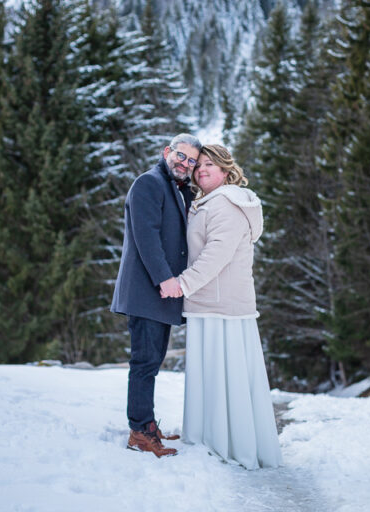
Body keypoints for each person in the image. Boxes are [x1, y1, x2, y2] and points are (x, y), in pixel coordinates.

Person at [163, 144, 282, 469]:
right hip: (213, 302)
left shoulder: (226, 203)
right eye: (199, 165)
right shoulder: (211, 202)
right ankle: (211, 438)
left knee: (223, 375)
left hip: (220, 305)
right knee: (216, 375)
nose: (201, 170)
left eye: (210, 166)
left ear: (227, 172)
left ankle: (228, 444)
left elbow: (216, 254)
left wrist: (183, 283)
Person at [110, 133, 202, 458]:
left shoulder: (176, 189)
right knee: (144, 363)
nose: (185, 164)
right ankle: (140, 432)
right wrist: (165, 278)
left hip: (159, 296)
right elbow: (145, 236)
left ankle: (148, 425)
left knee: (151, 363)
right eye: (181, 156)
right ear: (167, 152)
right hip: (147, 291)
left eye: (192, 161)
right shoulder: (148, 184)